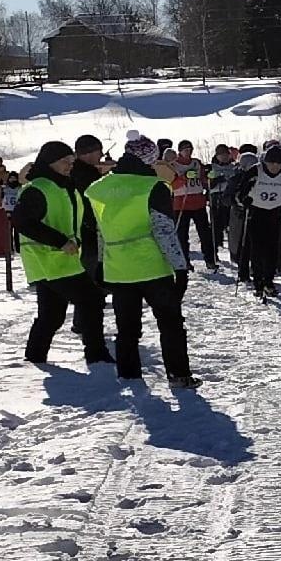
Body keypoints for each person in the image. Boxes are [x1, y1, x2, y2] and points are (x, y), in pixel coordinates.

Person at [84, 133, 195, 387]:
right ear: (148, 159)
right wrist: (180, 266)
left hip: (117, 268)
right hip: (152, 266)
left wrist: (100, 263)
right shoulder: (153, 187)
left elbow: (100, 230)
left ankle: (129, 374)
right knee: (170, 323)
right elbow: (164, 230)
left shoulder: (99, 188)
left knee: (127, 328)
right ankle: (179, 374)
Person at [16, 140, 110, 368]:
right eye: (65, 162)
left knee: (52, 316)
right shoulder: (37, 188)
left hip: (60, 259)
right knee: (91, 298)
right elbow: (22, 222)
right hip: (50, 258)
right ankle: (96, 355)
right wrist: (59, 241)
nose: (70, 165)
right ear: (50, 163)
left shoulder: (63, 185)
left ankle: (34, 357)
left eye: (71, 161)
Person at [239, 145, 281, 298]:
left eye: (278, 163)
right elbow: (241, 190)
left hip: (275, 212)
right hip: (256, 212)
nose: (275, 166)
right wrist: (245, 200)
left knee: (272, 250)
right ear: (266, 162)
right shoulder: (256, 170)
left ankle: (268, 281)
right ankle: (258, 283)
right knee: (257, 249)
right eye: (271, 163)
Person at [169, 141, 216, 269]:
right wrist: (184, 177)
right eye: (185, 149)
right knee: (182, 235)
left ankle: (210, 260)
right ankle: (184, 261)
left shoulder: (196, 163)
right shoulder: (173, 165)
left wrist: (209, 178)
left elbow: (203, 180)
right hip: (181, 203)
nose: (188, 152)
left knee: (205, 234)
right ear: (179, 151)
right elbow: (171, 184)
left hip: (198, 202)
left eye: (190, 149)